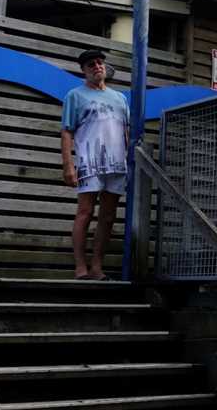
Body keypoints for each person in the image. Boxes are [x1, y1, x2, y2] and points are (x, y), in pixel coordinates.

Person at [61, 49, 130, 280]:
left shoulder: (120, 98)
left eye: (100, 62)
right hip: (89, 162)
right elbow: (67, 132)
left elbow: (126, 131)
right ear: (84, 70)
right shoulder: (75, 95)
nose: (97, 66)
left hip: (117, 164)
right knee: (85, 212)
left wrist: (130, 159)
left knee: (108, 216)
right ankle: (80, 267)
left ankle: (97, 267)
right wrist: (68, 165)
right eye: (91, 64)